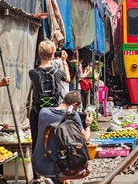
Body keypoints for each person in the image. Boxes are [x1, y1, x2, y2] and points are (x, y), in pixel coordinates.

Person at [29, 39, 70, 184]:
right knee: (57, 141)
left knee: (37, 141)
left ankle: (36, 176)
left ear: (39, 54)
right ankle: (57, 171)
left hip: (38, 112)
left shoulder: (32, 73)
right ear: (53, 54)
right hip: (55, 112)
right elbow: (68, 79)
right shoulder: (58, 72)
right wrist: (64, 61)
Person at [32, 91, 92, 184]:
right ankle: (62, 178)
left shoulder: (43, 112)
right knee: (86, 170)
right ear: (74, 104)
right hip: (54, 166)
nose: (76, 110)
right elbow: (86, 138)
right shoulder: (73, 115)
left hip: (38, 164)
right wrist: (88, 124)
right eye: (77, 107)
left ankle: (63, 179)